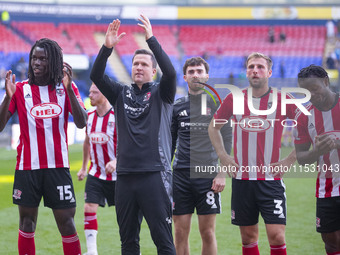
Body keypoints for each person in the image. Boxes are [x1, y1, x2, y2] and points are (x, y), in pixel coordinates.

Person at [90, 15, 176, 255]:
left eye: (144, 64)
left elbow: (170, 73)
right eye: (136, 63)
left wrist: (151, 40)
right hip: (125, 177)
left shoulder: (163, 93)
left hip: (155, 175)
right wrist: (107, 48)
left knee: (164, 243)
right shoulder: (120, 93)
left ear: (153, 71)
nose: (139, 67)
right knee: (128, 243)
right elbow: (96, 76)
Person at [0, 38, 87, 255]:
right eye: (34, 58)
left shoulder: (66, 87)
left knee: (67, 223)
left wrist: (68, 90)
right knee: (26, 223)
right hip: (27, 168)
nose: (36, 63)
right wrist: (6, 98)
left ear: (54, 62)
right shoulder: (19, 89)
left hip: (58, 167)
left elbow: (82, 122)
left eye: (43, 59)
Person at [208, 52, 297, 255]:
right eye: (251, 67)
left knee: (277, 236)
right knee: (248, 238)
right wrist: (223, 155)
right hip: (242, 180)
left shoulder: (282, 99)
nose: (255, 70)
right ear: (246, 72)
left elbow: (309, 127)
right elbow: (213, 128)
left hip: (270, 180)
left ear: (270, 72)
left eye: (260, 67)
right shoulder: (234, 98)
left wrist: (290, 160)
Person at [171, 57, 232, 255]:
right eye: (191, 72)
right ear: (185, 77)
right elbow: (169, 144)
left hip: (207, 176)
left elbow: (228, 142)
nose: (195, 74)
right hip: (180, 177)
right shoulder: (177, 107)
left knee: (207, 232)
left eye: (199, 71)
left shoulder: (218, 106)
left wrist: (222, 173)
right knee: (180, 232)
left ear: (207, 76)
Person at [295, 65, 340, 255]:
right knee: (331, 244)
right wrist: (316, 152)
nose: (311, 95)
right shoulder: (303, 116)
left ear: (326, 82)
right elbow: (301, 158)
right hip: (326, 188)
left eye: (314, 88)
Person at [77, 83, 117, 255]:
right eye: (90, 91)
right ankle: (92, 251)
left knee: (126, 214)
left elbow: (132, 144)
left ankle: (131, 248)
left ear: (105, 94)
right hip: (96, 173)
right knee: (89, 208)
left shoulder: (118, 116)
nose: (90, 95)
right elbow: (87, 142)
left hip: (119, 176)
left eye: (95, 92)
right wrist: (84, 167)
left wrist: (117, 161)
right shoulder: (89, 116)